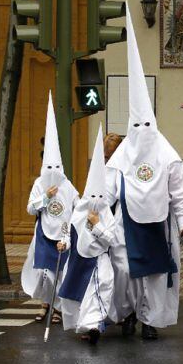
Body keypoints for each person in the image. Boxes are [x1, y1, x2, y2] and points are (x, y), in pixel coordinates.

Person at [106, 7, 183, 340]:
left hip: (159, 225)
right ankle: (127, 313)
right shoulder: (120, 158)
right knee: (126, 272)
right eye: (136, 126)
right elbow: (108, 190)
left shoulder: (168, 157)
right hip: (126, 224)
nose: (142, 131)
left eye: (147, 125)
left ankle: (150, 320)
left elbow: (179, 193)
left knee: (155, 275)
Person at [22, 93, 78, 325]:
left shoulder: (68, 185)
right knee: (45, 272)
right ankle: (44, 303)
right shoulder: (39, 184)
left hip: (63, 235)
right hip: (44, 234)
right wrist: (45, 197)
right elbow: (30, 208)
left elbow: (77, 207)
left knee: (61, 272)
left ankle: (58, 308)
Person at [58, 125, 115, 345]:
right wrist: (63, 242)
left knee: (100, 290)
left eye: (99, 196)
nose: (95, 200)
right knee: (80, 294)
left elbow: (111, 238)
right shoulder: (79, 209)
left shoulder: (105, 213)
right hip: (78, 259)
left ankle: (94, 325)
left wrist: (97, 224)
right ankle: (85, 324)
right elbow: (67, 228)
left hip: (99, 260)